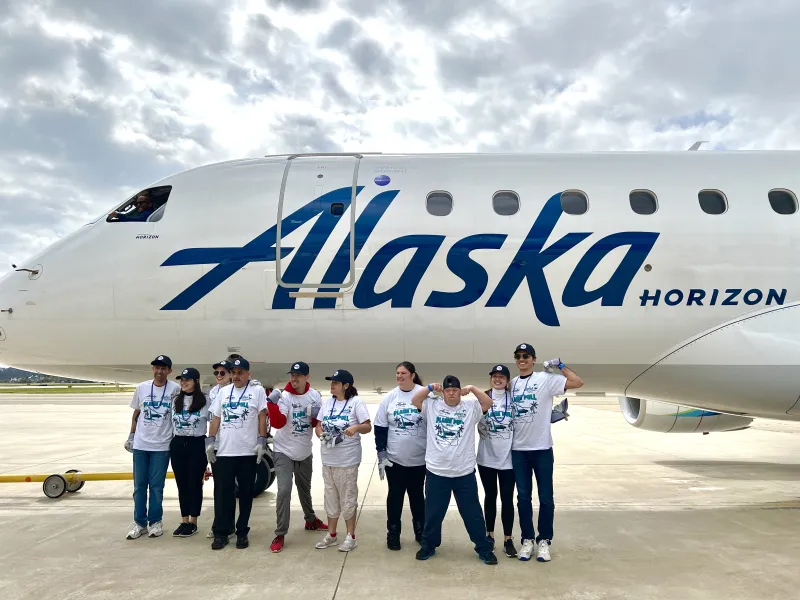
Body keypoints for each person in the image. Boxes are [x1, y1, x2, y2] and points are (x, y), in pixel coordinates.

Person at [410, 376, 497, 565]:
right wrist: (429, 388)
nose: (451, 393)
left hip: (463, 473)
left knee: (472, 514)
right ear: (443, 392)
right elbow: (415, 400)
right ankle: (428, 545)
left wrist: (473, 387)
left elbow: (489, 402)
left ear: (460, 391)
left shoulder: (471, 408)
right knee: (433, 513)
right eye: (448, 390)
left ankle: (483, 548)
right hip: (437, 472)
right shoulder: (432, 406)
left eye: (455, 390)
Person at [510, 343, 583, 563]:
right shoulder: (512, 383)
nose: (522, 359)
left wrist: (560, 365)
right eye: (518, 356)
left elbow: (577, 382)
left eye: (526, 356)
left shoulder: (545, 379)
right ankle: (527, 539)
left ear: (533, 359)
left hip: (542, 449)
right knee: (523, 498)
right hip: (518, 451)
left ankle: (544, 541)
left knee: (545, 498)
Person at [205, 357, 268, 550]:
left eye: (240, 373)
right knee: (223, 494)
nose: (236, 376)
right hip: (225, 452)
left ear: (248, 374)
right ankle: (222, 532)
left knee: (246, 494)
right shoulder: (224, 392)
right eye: (233, 373)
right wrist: (210, 440)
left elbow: (262, 416)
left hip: (247, 452)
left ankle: (242, 531)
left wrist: (262, 440)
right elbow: (216, 417)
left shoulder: (257, 391)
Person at [267, 361, 328, 553]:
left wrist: (319, 421)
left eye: (298, 376)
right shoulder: (284, 397)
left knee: (305, 489)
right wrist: (271, 404)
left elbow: (317, 422)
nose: (293, 379)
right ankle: (280, 533)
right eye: (292, 375)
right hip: (283, 450)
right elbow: (278, 423)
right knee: (284, 490)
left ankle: (310, 520)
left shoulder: (314, 396)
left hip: (304, 451)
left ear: (306, 377)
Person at [313, 369, 371, 552]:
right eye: (331, 382)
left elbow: (368, 426)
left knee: (347, 497)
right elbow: (318, 425)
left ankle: (350, 536)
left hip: (347, 460)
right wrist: (322, 435)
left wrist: (355, 427)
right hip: (328, 459)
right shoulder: (328, 402)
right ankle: (331, 535)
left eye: (336, 383)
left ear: (346, 386)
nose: (332, 385)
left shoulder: (356, 403)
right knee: (330, 497)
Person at [124, 355, 180, 540]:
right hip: (141, 445)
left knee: (156, 487)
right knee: (139, 486)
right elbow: (136, 413)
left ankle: (155, 521)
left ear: (169, 371)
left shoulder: (175, 389)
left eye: (163, 368)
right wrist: (131, 435)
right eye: (156, 368)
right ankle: (139, 523)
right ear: (152, 369)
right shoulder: (142, 388)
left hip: (162, 446)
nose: (159, 371)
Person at [374, 361, 427, 550]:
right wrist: (382, 454)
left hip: (419, 460)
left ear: (412, 375)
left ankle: (421, 532)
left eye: (403, 373)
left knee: (417, 497)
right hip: (395, 461)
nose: (399, 376)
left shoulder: (424, 394)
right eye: (397, 373)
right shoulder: (390, 397)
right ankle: (393, 533)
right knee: (395, 498)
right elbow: (380, 427)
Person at [477, 364, 517, 558]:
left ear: (507, 380)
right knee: (490, 496)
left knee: (507, 499)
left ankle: (508, 539)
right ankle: (489, 534)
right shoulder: (483, 397)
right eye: (495, 376)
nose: (498, 379)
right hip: (486, 458)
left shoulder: (514, 399)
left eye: (502, 377)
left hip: (509, 459)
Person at [170, 367, 210, 537]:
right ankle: (184, 519)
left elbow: (215, 419)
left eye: (187, 380)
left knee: (194, 483)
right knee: (181, 483)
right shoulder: (176, 401)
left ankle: (194, 520)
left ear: (196, 382)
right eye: (182, 380)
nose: (183, 383)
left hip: (196, 443)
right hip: (178, 443)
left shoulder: (205, 401)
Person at [205, 359, 233, 539]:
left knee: (229, 488)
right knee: (219, 488)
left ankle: (229, 525)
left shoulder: (238, 391)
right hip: (217, 445)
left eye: (223, 373)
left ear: (231, 374)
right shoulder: (213, 393)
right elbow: (212, 418)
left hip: (232, 444)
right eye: (217, 373)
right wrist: (210, 442)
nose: (219, 376)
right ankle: (219, 524)